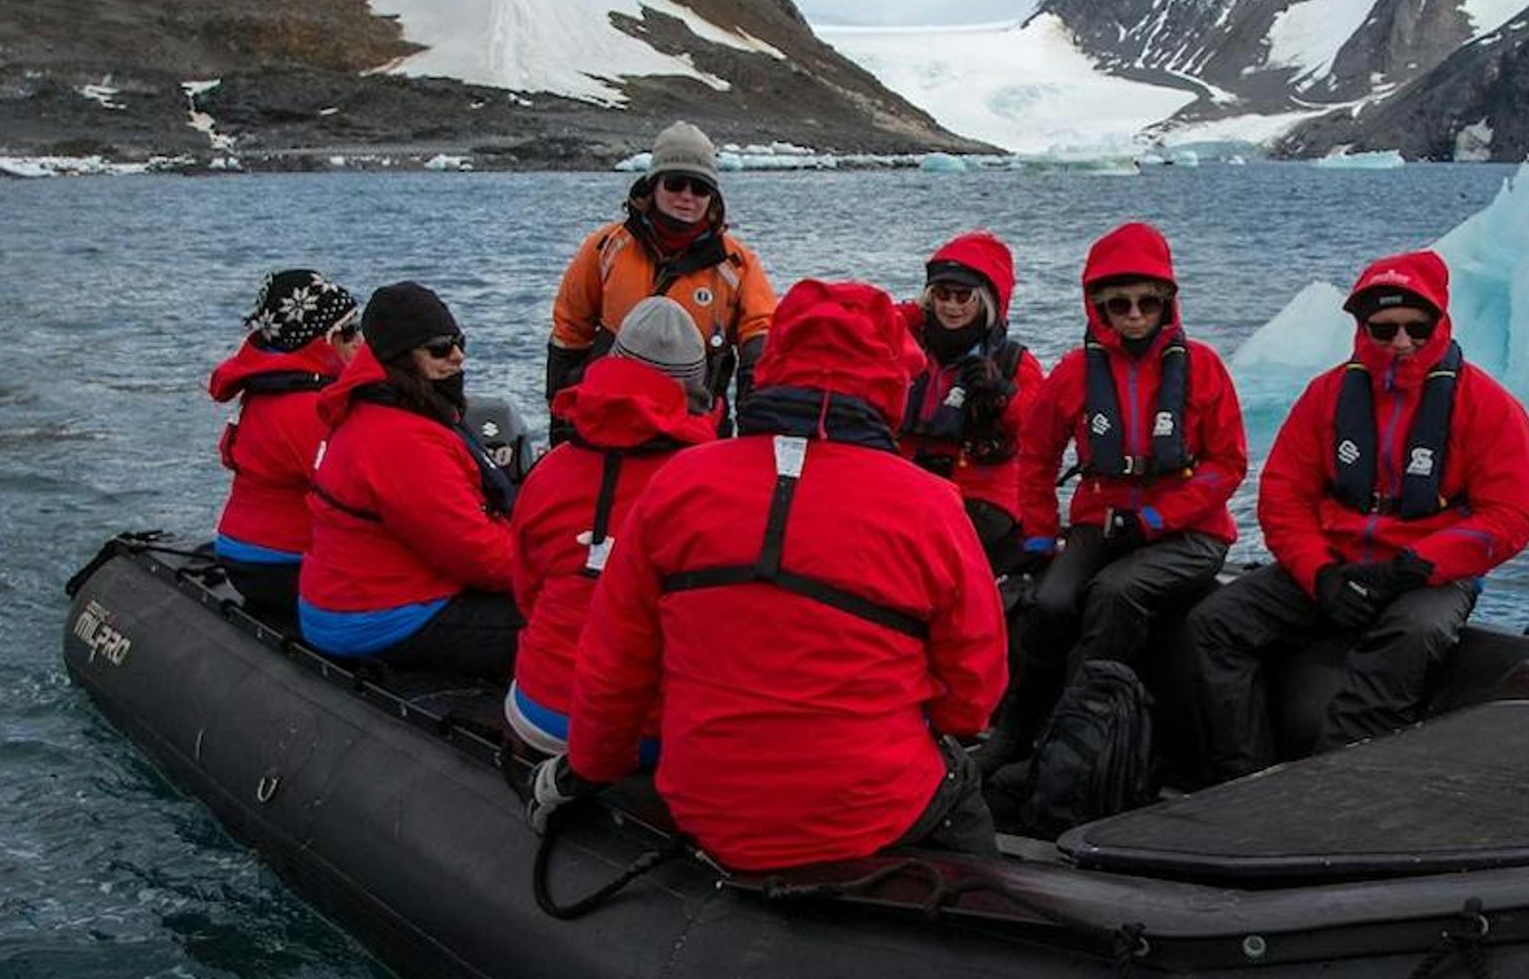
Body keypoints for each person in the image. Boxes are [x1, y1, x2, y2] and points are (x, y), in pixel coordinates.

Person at [562, 281, 1007, 874]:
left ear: (770, 369)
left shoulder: (678, 483)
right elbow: (974, 691)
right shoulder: (932, 505)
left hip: (706, 804)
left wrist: (588, 772)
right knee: (964, 796)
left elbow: (613, 663)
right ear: (891, 383)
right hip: (871, 810)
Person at [1185, 249, 1529, 775]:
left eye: (1416, 329)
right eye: (1384, 329)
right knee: (1214, 623)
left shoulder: (1488, 406)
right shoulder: (1326, 396)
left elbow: (1511, 515)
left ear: (1440, 322)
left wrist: (1413, 567)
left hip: (1426, 575)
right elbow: (1283, 493)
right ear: (1361, 328)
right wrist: (1320, 573)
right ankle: (1240, 774)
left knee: (1414, 636)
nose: (1401, 343)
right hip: (1334, 562)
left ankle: (1333, 783)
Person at [999, 221, 1248, 764]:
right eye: (1119, 305)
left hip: (1190, 534)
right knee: (1049, 602)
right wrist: (1040, 538)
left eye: (1146, 302)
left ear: (1166, 303)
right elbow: (1037, 458)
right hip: (1102, 525)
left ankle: (1073, 741)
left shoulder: (1203, 369)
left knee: (1116, 594)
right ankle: (1012, 731)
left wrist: (1158, 519)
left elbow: (1227, 465)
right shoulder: (1072, 375)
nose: (1134, 315)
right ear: (1098, 308)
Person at [502, 303, 714, 756]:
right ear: (697, 388)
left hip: (540, 707)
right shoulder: (706, 483)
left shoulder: (549, 470)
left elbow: (526, 588)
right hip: (642, 728)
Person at [297, 281, 520, 677]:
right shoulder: (401, 440)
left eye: (458, 342)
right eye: (439, 348)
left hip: (356, 599)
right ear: (402, 359)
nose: (457, 357)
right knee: (563, 624)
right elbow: (477, 555)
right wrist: (556, 570)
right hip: (378, 616)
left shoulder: (386, 412)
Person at [544, 122, 779, 406]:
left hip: (695, 427)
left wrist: (755, 425)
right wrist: (562, 417)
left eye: (700, 188)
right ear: (653, 184)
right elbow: (570, 329)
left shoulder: (737, 265)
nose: (687, 196)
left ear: (712, 196)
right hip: (609, 415)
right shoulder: (605, 248)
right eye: (676, 183)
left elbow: (761, 338)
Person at [205, 266, 357, 627]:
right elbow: (351, 493)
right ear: (319, 340)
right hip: (280, 561)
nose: (361, 342)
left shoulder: (263, 389)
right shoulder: (307, 407)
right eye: (349, 331)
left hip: (244, 548)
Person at [895, 231, 1045, 577]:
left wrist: (1003, 395)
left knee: (931, 548)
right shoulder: (905, 342)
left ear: (986, 301)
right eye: (942, 295)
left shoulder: (1013, 362)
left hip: (982, 492)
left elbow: (1041, 433)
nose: (952, 306)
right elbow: (866, 320)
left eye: (964, 296)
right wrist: (915, 314)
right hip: (909, 480)